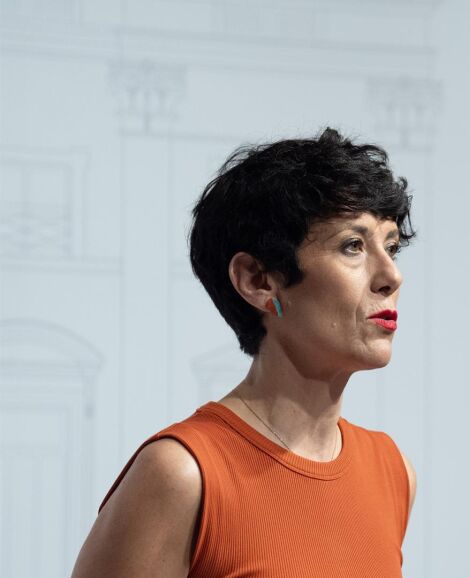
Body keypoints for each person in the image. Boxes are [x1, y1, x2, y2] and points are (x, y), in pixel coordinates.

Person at [71, 128, 417, 577]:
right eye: (353, 246)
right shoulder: (182, 473)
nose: (392, 276)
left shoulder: (392, 470)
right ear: (258, 281)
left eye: (391, 248)